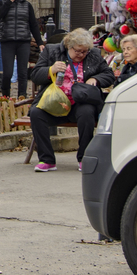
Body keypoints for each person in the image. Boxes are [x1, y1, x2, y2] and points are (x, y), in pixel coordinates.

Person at [28, 28, 115, 172]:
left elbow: (108, 74)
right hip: (54, 102)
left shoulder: (93, 55)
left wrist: (96, 79)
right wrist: (51, 70)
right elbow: (35, 75)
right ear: (69, 46)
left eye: (84, 51)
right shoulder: (51, 51)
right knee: (36, 113)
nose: (81, 55)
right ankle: (47, 159)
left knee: (87, 112)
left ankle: (84, 157)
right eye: (78, 51)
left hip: (80, 102)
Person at [0, 0, 42, 97]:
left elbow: (33, 25)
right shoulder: (2, 3)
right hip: (7, 41)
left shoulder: (27, 5)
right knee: (8, 72)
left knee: (22, 72)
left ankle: (22, 95)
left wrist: (40, 42)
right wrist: (9, 2)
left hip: (23, 41)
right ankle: (6, 95)